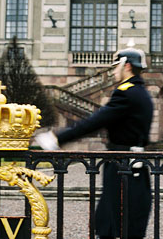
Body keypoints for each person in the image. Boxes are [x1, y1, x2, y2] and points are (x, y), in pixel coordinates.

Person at [35, 47, 153, 239]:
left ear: (127, 66)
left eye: (116, 67)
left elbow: (95, 122)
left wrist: (58, 138)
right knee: (117, 222)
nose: (114, 71)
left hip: (121, 166)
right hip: (134, 165)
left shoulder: (126, 93)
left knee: (116, 224)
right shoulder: (142, 93)